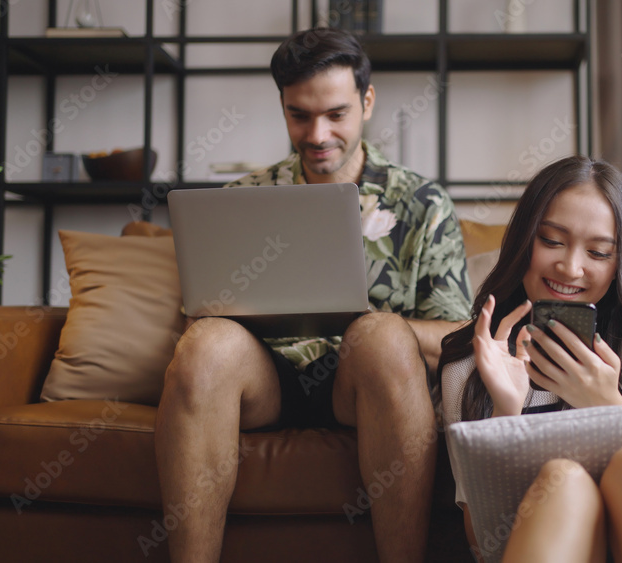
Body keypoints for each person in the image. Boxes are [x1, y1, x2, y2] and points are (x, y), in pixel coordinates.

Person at [154, 28, 472, 563]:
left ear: (367, 102)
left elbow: (458, 339)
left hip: (364, 384)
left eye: (336, 114)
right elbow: (202, 317)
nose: (318, 133)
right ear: (282, 107)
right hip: (264, 380)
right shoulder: (240, 200)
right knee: (204, 344)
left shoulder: (422, 203)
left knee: (382, 338)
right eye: (299, 115)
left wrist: (365, 323)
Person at [439, 156, 622, 562]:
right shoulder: (469, 368)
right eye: (551, 241)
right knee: (562, 480)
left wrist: (607, 408)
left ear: (620, 261)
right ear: (523, 240)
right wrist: (506, 413)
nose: (570, 268)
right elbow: (483, 543)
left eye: (599, 252)